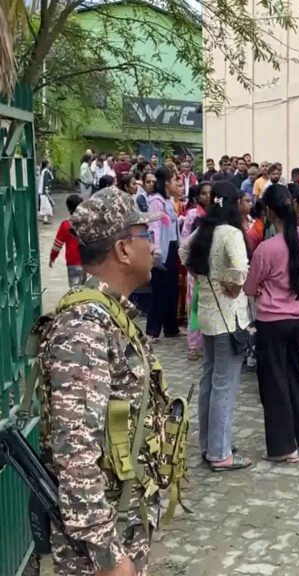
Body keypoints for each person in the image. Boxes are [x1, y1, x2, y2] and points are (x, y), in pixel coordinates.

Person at [38, 189, 165, 575]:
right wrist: (108, 556)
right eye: (146, 235)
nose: (154, 245)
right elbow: (74, 454)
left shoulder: (110, 315)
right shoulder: (84, 328)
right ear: (124, 250)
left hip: (123, 518)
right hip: (97, 548)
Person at [245, 184, 299, 461]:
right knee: (295, 376)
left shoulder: (265, 250)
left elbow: (249, 286)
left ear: (268, 212)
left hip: (272, 320)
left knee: (274, 383)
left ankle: (283, 447)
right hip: (298, 319)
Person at [181, 181, 251, 471]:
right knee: (225, 384)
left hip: (208, 316)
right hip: (229, 317)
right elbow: (242, 268)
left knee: (210, 381)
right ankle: (220, 453)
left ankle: (210, 443)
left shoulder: (204, 230)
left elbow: (184, 253)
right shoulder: (231, 233)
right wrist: (234, 283)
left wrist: (204, 276)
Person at [146, 166, 183, 341]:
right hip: (162, 250)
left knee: (172, 289)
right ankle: (153, 330)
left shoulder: (168, 201)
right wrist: (156, 250)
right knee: (159, 290)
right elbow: (154, 227)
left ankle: (171, 327)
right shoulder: (156, 201)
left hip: (172, 247)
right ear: (167, 182)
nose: (178, 184)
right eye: (175, 180)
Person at [181, 182, 212, 360]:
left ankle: (207, 342)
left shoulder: (216, 215)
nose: (207, 197)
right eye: (204, 194)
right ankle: (194, 345)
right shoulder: (192, 215)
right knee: (194, 307)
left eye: (210, 194)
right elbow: (185, 242)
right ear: (197, 197)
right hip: (195, 267)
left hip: (210, 268)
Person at [49, 193, 85, 287]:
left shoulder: (65, 225)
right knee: (87, 289)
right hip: (89, 262)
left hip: (73, 261)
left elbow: (57, 245)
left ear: (68, 208)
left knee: (74, 290)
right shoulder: (89, 222)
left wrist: (52, 257)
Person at [37, 160, 55, 224]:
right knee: (47, 205)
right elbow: (46, 181)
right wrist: (46, 189)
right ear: (47, 164)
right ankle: (45, 219)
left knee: (45, 205)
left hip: (43, 191)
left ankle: (45, 219)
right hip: (45, 192)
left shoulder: (43, 171)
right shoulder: (46, 172)